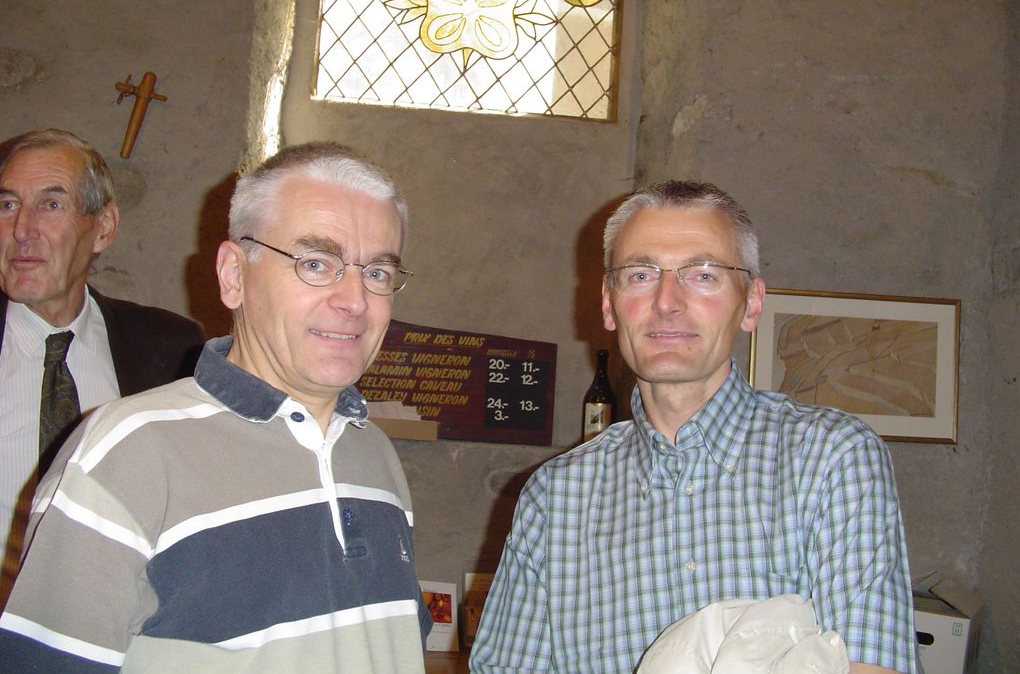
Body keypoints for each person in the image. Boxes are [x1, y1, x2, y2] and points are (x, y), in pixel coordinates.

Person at [0, 142, 431, 672]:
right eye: (317, 263)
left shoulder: (375, 453)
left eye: (378, 273)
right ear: (233, 275)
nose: (355, 300)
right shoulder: (125, 452)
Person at [471, 180, 917, 674]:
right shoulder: (555, 496)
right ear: (609, 303)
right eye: (640, 274)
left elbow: (871, 663)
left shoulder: (833, 459)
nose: (667, 300)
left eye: (703, 275)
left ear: (752, 303)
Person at [0, 129, 204, 609]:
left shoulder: (172, 349)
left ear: (104, 228)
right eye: (7, 205)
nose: (22, 229)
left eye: (51, 205)